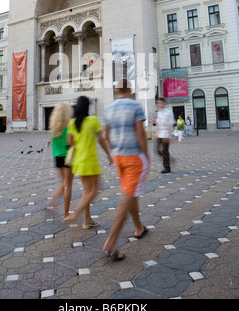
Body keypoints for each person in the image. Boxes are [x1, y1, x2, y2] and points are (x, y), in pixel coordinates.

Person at [103, 79, 150, 261]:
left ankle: (139, 227)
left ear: (116, 91)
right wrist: (146, 155)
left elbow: (107, 135)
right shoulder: (135, 106)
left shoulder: (108, 109)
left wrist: (115, 150)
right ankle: (111, 241)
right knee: (126, 197)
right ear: (129, 89)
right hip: (133, 157)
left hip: (118, 158)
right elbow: (141, 133)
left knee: (131, 194)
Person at [63, 96, 113, 229]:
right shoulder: (93, 120)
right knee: (95, 189)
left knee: (86, 191)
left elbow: (69, 142)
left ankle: (87, 220)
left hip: (79, 162)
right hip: (91, 160)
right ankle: (76, 213)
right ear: (87, 107)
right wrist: (109, 154)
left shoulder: (72, 123)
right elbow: (101, 140)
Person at [48, 102, 73, 219]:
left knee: (63, 183)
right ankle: (66, 213)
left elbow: (53, 143)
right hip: (67, 157)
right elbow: (70, 143)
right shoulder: (69, 126)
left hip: (57, 157)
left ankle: (52, 203)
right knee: (67, 185)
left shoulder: (54, 127)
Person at [155, 97, 175, 173]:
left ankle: (167, 167)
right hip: (160, 133)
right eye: (158, 103)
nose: (159, 104)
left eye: (160, 103)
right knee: (157, 150)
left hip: (166, 134)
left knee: (165, 151)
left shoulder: (169, 112)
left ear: (164, 103)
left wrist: (170, 135)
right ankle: (168, 159)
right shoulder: (159, 113)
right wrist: (156, 133)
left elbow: (170, 124)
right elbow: (158, 124)